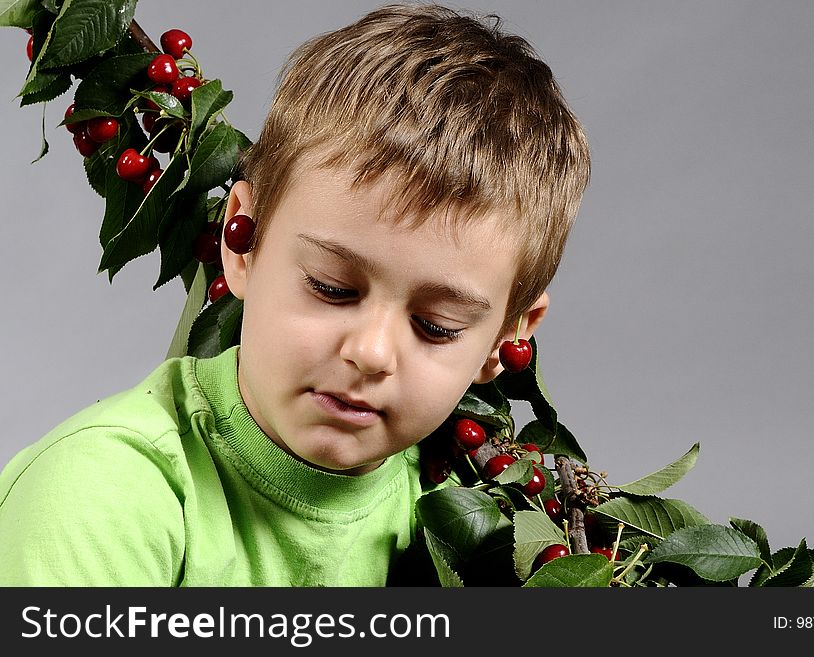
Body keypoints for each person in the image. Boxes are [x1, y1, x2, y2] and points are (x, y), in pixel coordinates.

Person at [0, 3, 590, 586]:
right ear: (243, 241)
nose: (373, 353)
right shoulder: (100, 499)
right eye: (332, 288)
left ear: (508, 338)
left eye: (436, 325)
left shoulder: (477, 519)